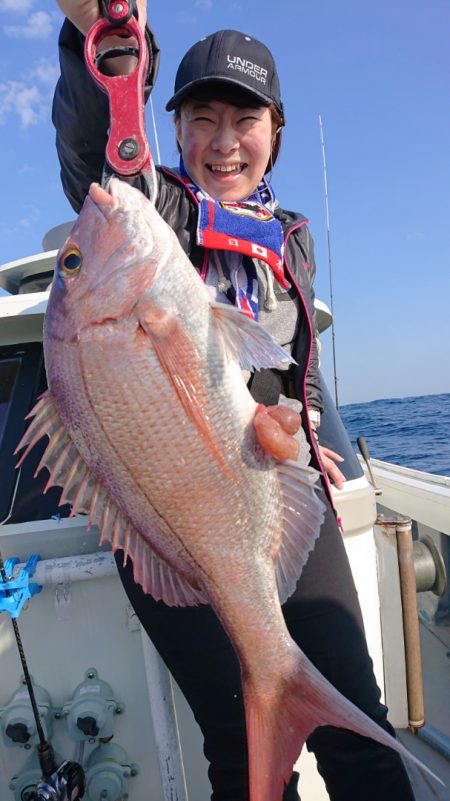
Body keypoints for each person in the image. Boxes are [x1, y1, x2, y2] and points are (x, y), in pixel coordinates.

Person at [52, 6, 416, 800]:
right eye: (200, 118)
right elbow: (97, 149)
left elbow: (293, 370)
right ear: (172, 129)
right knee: (241, 746)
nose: (223, 142)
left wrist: (295, 417)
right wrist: (105, 44)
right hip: (170, 514)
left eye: (244, 119)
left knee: (363, 729)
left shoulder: (290, 240)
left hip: (271, 489)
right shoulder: (154, 211)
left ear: (275, 132)